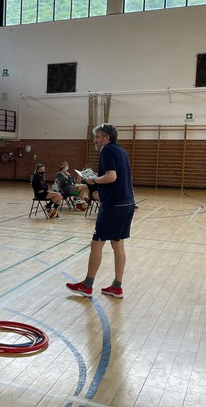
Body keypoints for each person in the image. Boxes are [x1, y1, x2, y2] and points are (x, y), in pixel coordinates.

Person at [66, 124, 136, 299]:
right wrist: (98, 187)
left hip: (113, 206)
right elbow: (116, 179)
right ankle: (117, 286)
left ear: (107, 137)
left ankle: (87, 286)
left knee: (96, 243)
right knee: (117, 244)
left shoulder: (107, 151)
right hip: (126, 204)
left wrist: (93, 179)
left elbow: (112, 176)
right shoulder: (121, 151)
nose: (95, 140)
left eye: (98, 137)